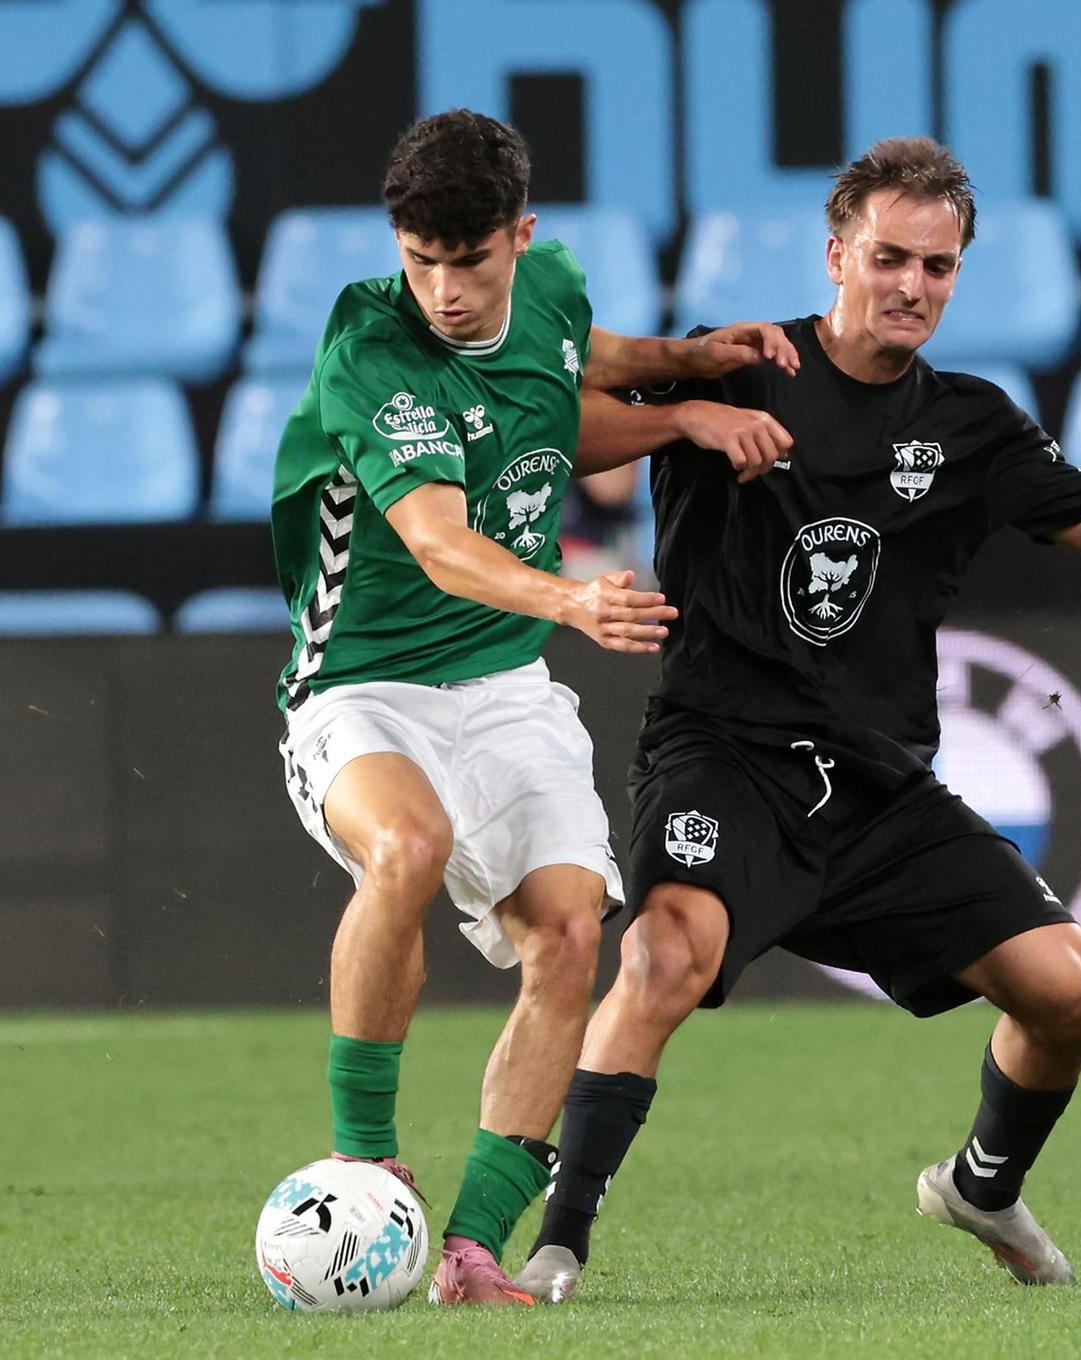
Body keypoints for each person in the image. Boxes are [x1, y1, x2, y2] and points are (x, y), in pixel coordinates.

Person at [516, 136, 1081, 1302]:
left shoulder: (971, 425)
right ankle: (559, 1242)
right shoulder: (739, 363)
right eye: (890, 257)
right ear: (837, 252)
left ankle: (981, 1185)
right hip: (724, 754)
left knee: (1068, 993)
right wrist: (688, 420)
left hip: (879, 789)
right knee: (662, 953)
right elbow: (560, 431)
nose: (911, 286)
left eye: (937, 268)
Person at [270, 108, 796, 1306]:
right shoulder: (370, 347)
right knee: (409, 845)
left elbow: (572, 368)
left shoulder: (547, 285)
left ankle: (466, 1251)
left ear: (522, 235)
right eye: (421, 260)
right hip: (360, 683)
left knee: (568, 933)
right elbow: (441, 541)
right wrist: (568, 599)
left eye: (469, 259)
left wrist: (691, 373)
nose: (445, 291)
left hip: (501, 684)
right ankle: (364, 1163)